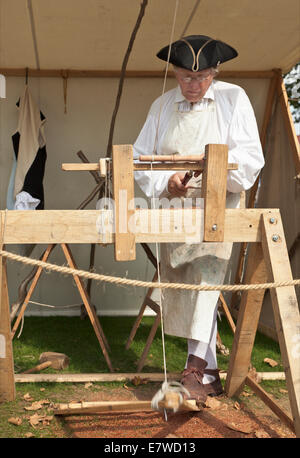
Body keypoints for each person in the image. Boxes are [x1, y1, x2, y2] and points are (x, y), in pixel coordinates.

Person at [133, 35, 264, 404]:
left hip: (217, 204)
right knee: (182, 283)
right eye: (185, 77)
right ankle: (207, 373)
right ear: (174, 73)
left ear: (215, 72)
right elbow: (142, 160)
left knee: (207, 277)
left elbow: (251, 160)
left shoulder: (232, 98)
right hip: (175, 207)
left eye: (202, 77)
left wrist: (211, 178)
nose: (192, 85)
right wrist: (166, 181)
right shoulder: (161, 106)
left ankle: (194, 368)